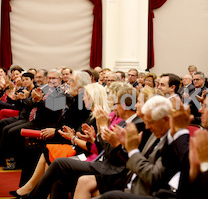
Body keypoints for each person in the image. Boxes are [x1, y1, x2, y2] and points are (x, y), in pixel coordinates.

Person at [21, 87, 150, 199]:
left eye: (116, 103)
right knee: (59, 178)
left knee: (59, 163)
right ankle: (32, 194)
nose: (114, 107)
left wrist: (101, 127)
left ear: (125, 105)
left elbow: (112, 153)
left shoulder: (135, 124)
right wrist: (92, 137)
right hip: (102, 159)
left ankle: (32, 196)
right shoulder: (124, 122)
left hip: (112, 167)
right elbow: (102, 147)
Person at [8, 82, 109, 198]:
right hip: (78, 146)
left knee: (50, 157)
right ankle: (30, 190)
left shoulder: (98, 115)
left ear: (92, 97)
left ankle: (31, 192)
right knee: (45, 153)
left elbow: (97, 146)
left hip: (86, 154)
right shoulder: (89, 112)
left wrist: (73, 138)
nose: (83, 98)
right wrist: (74, 135)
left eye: (85, 96)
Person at [73, 87, 164, 199]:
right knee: (69, 173)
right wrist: (94, 136)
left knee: (64, 166)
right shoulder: (127, 122)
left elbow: (115, 154)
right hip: (112, 165)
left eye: (139, 102)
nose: (135, 105)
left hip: (118, 170)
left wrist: (102, 129)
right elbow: (105, 148)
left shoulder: (138, 125)